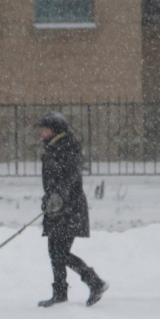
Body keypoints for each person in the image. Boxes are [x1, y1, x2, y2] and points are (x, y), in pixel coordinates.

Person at [35, 111, 108, 307]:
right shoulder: (52, 147)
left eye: (45, 128)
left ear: (55, 130)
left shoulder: (67, 147)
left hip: (69, 208)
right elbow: (51, 181)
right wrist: (49, 199)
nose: (41, 132)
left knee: (60, 252)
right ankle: (60, 292)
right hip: (56, 208)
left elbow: (70, 177)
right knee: (54, 251)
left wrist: (59, 196)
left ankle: (94, 282)